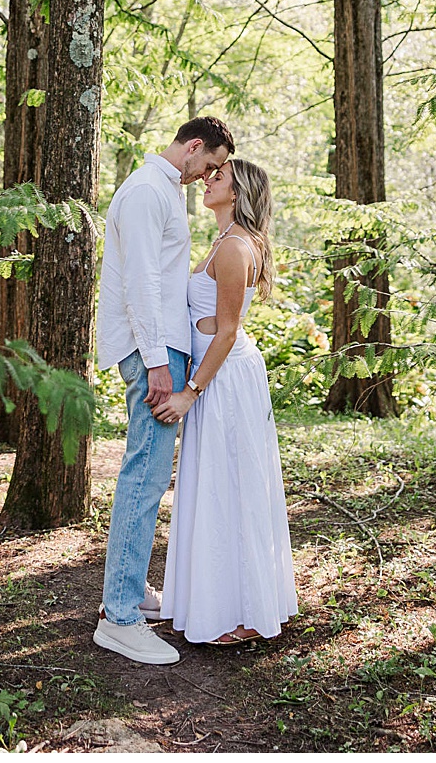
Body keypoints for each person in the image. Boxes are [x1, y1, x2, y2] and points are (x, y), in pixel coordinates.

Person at [89, 116, 234, 667]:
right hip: (153, 350)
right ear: (194, 147)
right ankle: (119, 618)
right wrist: (156, 363)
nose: (209, 177)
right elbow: (142, 284)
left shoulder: (164, 191)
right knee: (144, 475)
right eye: (211, 165)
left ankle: (128, 594)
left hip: (165, 347)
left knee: (150, 473)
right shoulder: (147, 192)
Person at [152, 156, 298, 644]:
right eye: (211, 173)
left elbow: (229, 332)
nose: (209, 179)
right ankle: (218, 602)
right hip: (214, 376)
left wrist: (191, 392)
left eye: (220, 176)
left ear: (237, 193)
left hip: (223, 380)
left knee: (231, 487)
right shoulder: (223, 241)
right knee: (215, 487)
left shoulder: (235, 247)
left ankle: (244, 615)